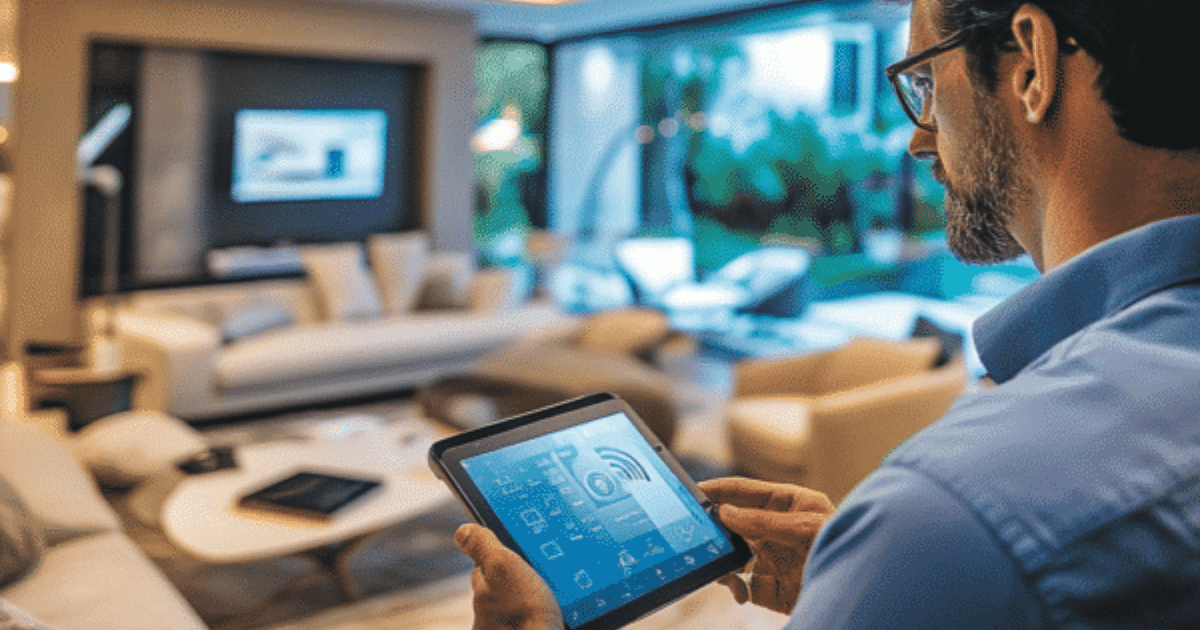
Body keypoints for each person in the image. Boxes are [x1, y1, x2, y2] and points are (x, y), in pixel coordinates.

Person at [453, 0, 1200, 626]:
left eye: (926, 81)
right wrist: (867, 591)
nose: (916, 137)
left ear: (1031, 67)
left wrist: (898, 562)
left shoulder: (958, 514)